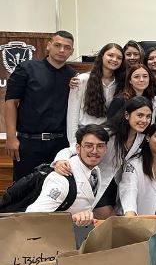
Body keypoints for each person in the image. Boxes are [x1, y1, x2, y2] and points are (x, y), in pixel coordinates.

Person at [54, 96, 153, 218]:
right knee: (109, 219)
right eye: (140, 115)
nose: (144, 120)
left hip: (114, 184)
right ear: (127, 115)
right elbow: (73, 149)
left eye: (148, 116)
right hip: (92, 182)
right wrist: (60, 160)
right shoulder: (107, 132)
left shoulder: (141, 138)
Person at [5, 31, 76, 181]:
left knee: (58, 188)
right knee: (24, 189)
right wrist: (11, 137)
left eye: (67, 47)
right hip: (29, 143)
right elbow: (11, 102)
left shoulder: (73, 76)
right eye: (57, 45)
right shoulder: (26, 68)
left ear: (72, 51)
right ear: (48, 46)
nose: (62, 50)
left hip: (60, 144)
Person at [26, 124, 112, 226]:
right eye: (89, 146)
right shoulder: (61, 179)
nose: (94, 151)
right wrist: (72, 219)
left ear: (105, 149)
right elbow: (31, 217)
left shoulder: (95, 170)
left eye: (100, 146)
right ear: (78, 148)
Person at [66, 43, 124, 145]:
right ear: (101, 56)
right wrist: (74, 144)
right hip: (84, 135)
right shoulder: (82, 80)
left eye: (119, 58)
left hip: (107, 136)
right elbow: (72, 115)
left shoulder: (120, 83)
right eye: (110, 55)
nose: (114, 59)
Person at [119, 122, 156, 216]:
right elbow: (129, 189)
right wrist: (130, 213)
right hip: (134, 218)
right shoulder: (133, 163)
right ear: (148, 137)